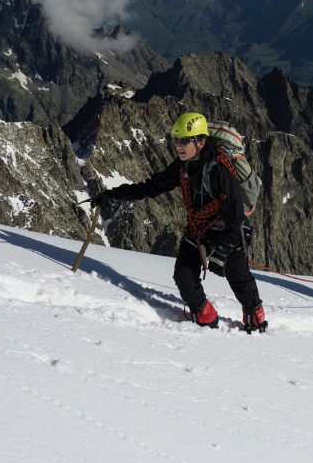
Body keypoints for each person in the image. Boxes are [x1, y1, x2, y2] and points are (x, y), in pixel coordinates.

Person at [92, 112, 266, 332]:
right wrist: (115, 194)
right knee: (183, 275)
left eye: (185, 140)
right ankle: (206, 318)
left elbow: (235, 213)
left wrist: (222, 250)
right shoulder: (183, 166)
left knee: (237, 275)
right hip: (198, 227)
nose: (179, 145)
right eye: (177, 140)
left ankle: (256, 317)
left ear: (201, 142)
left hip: (226, 228)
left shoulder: (219, 169)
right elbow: (152, 186)